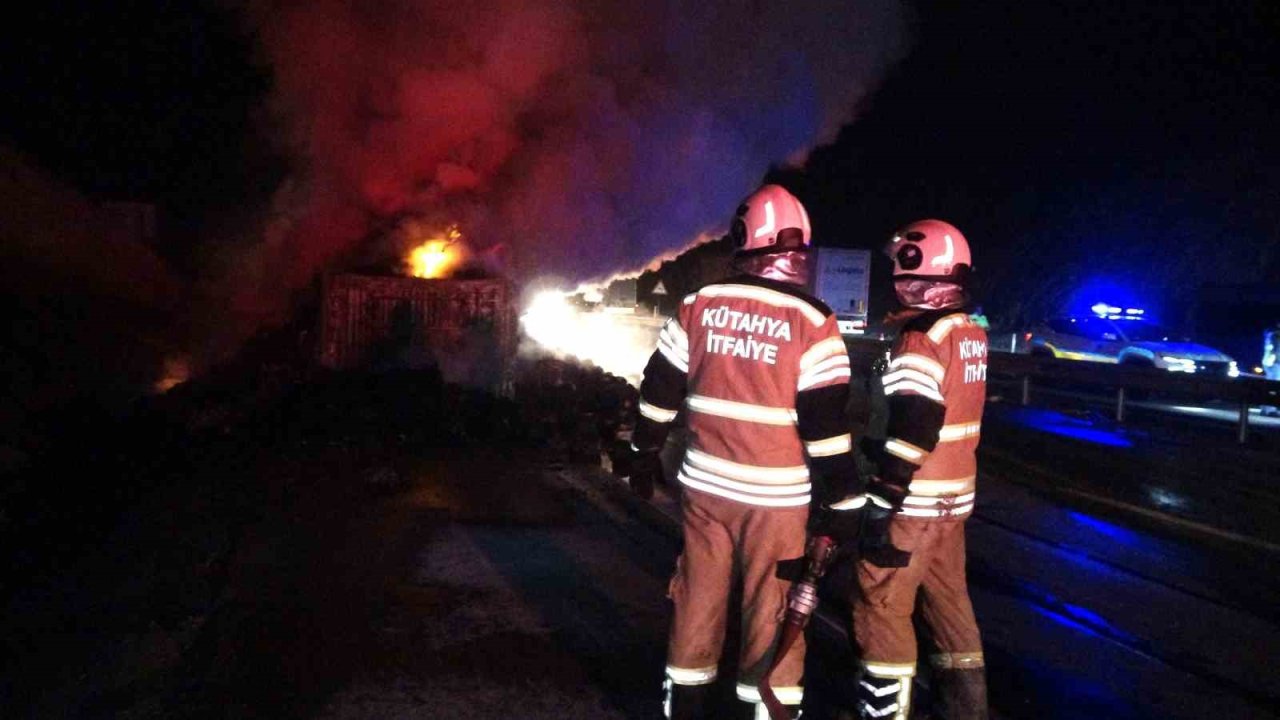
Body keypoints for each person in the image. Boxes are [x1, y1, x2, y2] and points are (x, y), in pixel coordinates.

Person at [629, 184, 866, 719]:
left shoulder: (698, 306)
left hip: (705, 493)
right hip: (776, 503)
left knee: (695, 606)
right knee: (771, 616)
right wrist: (845, 508)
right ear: (798, 250)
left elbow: (657, 393)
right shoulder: (814, 322)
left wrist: (643, 453)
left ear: (743, 241)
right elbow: (826, 431)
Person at [853, 219, 989, 720]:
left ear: (919, 267)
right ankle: (967, 711)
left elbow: (915, 426)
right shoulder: (969, 330)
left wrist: (884, 498)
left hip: (914, 504)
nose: (896, 272)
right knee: (950, 608)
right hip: (953, 502)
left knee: (882, 605)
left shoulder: (920, 338)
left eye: (902, 263)